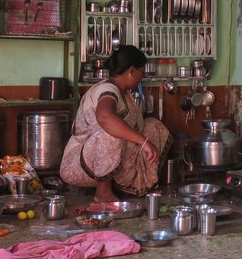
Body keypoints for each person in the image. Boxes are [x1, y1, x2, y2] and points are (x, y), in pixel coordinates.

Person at [60, 45, 172, 202]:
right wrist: (143, 142)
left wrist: (144, 139)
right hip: (78, 165)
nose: (143, 76)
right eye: (141, 71)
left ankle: (137, 185)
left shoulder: (123, 93)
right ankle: (103, 193)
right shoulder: (108, 90)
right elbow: (105, 118)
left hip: (107, 162)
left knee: (153, 126)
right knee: (109, 133)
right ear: (132, 71)